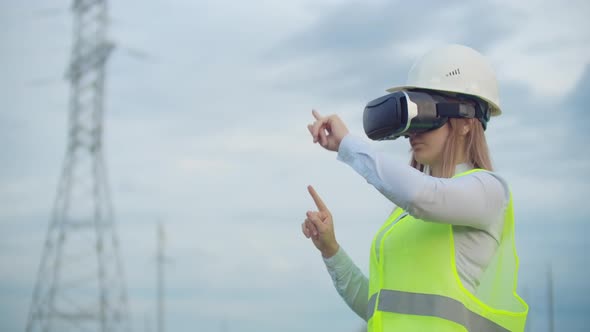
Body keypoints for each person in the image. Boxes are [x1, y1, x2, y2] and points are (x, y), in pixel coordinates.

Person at [301, 44, 529, 331]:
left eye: (425, 114)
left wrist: (348, 145)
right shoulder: (404, 215)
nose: (412, 131)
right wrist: (331, 250)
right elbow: (375, 307)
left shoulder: (489, 192)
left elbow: (423, 196)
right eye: (411, 119)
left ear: (466, 122)